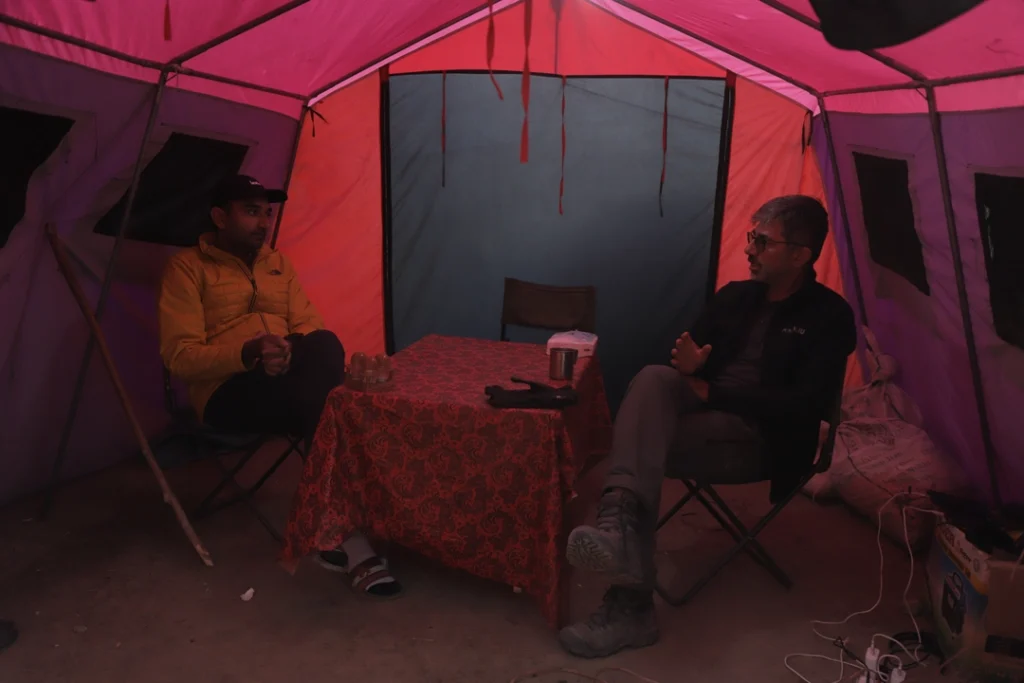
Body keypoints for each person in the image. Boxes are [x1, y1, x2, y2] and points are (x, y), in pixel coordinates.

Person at [559, 195, 856, 658]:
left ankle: (629, 601)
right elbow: (685, 362)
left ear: (801, 254)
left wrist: (714, 393)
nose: (750, 249)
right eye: (751, 237)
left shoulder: (830, 317)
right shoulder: (735, 296)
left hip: (762, 438)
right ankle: (618, 529)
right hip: (701, 417)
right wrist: (692, 364)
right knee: (655, 378)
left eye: (763, 241)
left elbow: (804, 405)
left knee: (640, 445)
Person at [158, 174, 402, 599]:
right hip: (228, 392)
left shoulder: (277, 264)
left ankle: (336, 531)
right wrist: (249, 353)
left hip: (287, 381)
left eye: (266, 213)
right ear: (219, 216)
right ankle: (353, 533)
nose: (263, 223)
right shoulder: (187, 269)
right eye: (251, 211)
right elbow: (180, 357)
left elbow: (309, 323)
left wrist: (289, 348)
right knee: (329, 404)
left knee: (324, 348)